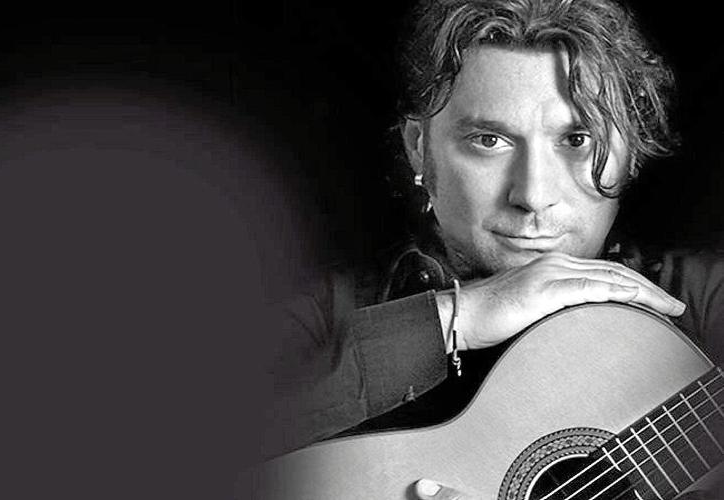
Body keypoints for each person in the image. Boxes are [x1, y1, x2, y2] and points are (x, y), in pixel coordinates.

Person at [254, 0, 724, 497]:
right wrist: (458, 317)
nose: (533, 195)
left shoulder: (703, 301)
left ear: (631, 152)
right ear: (419, 148)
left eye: (577, 139)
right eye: (489, 140)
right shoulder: (320, 318)